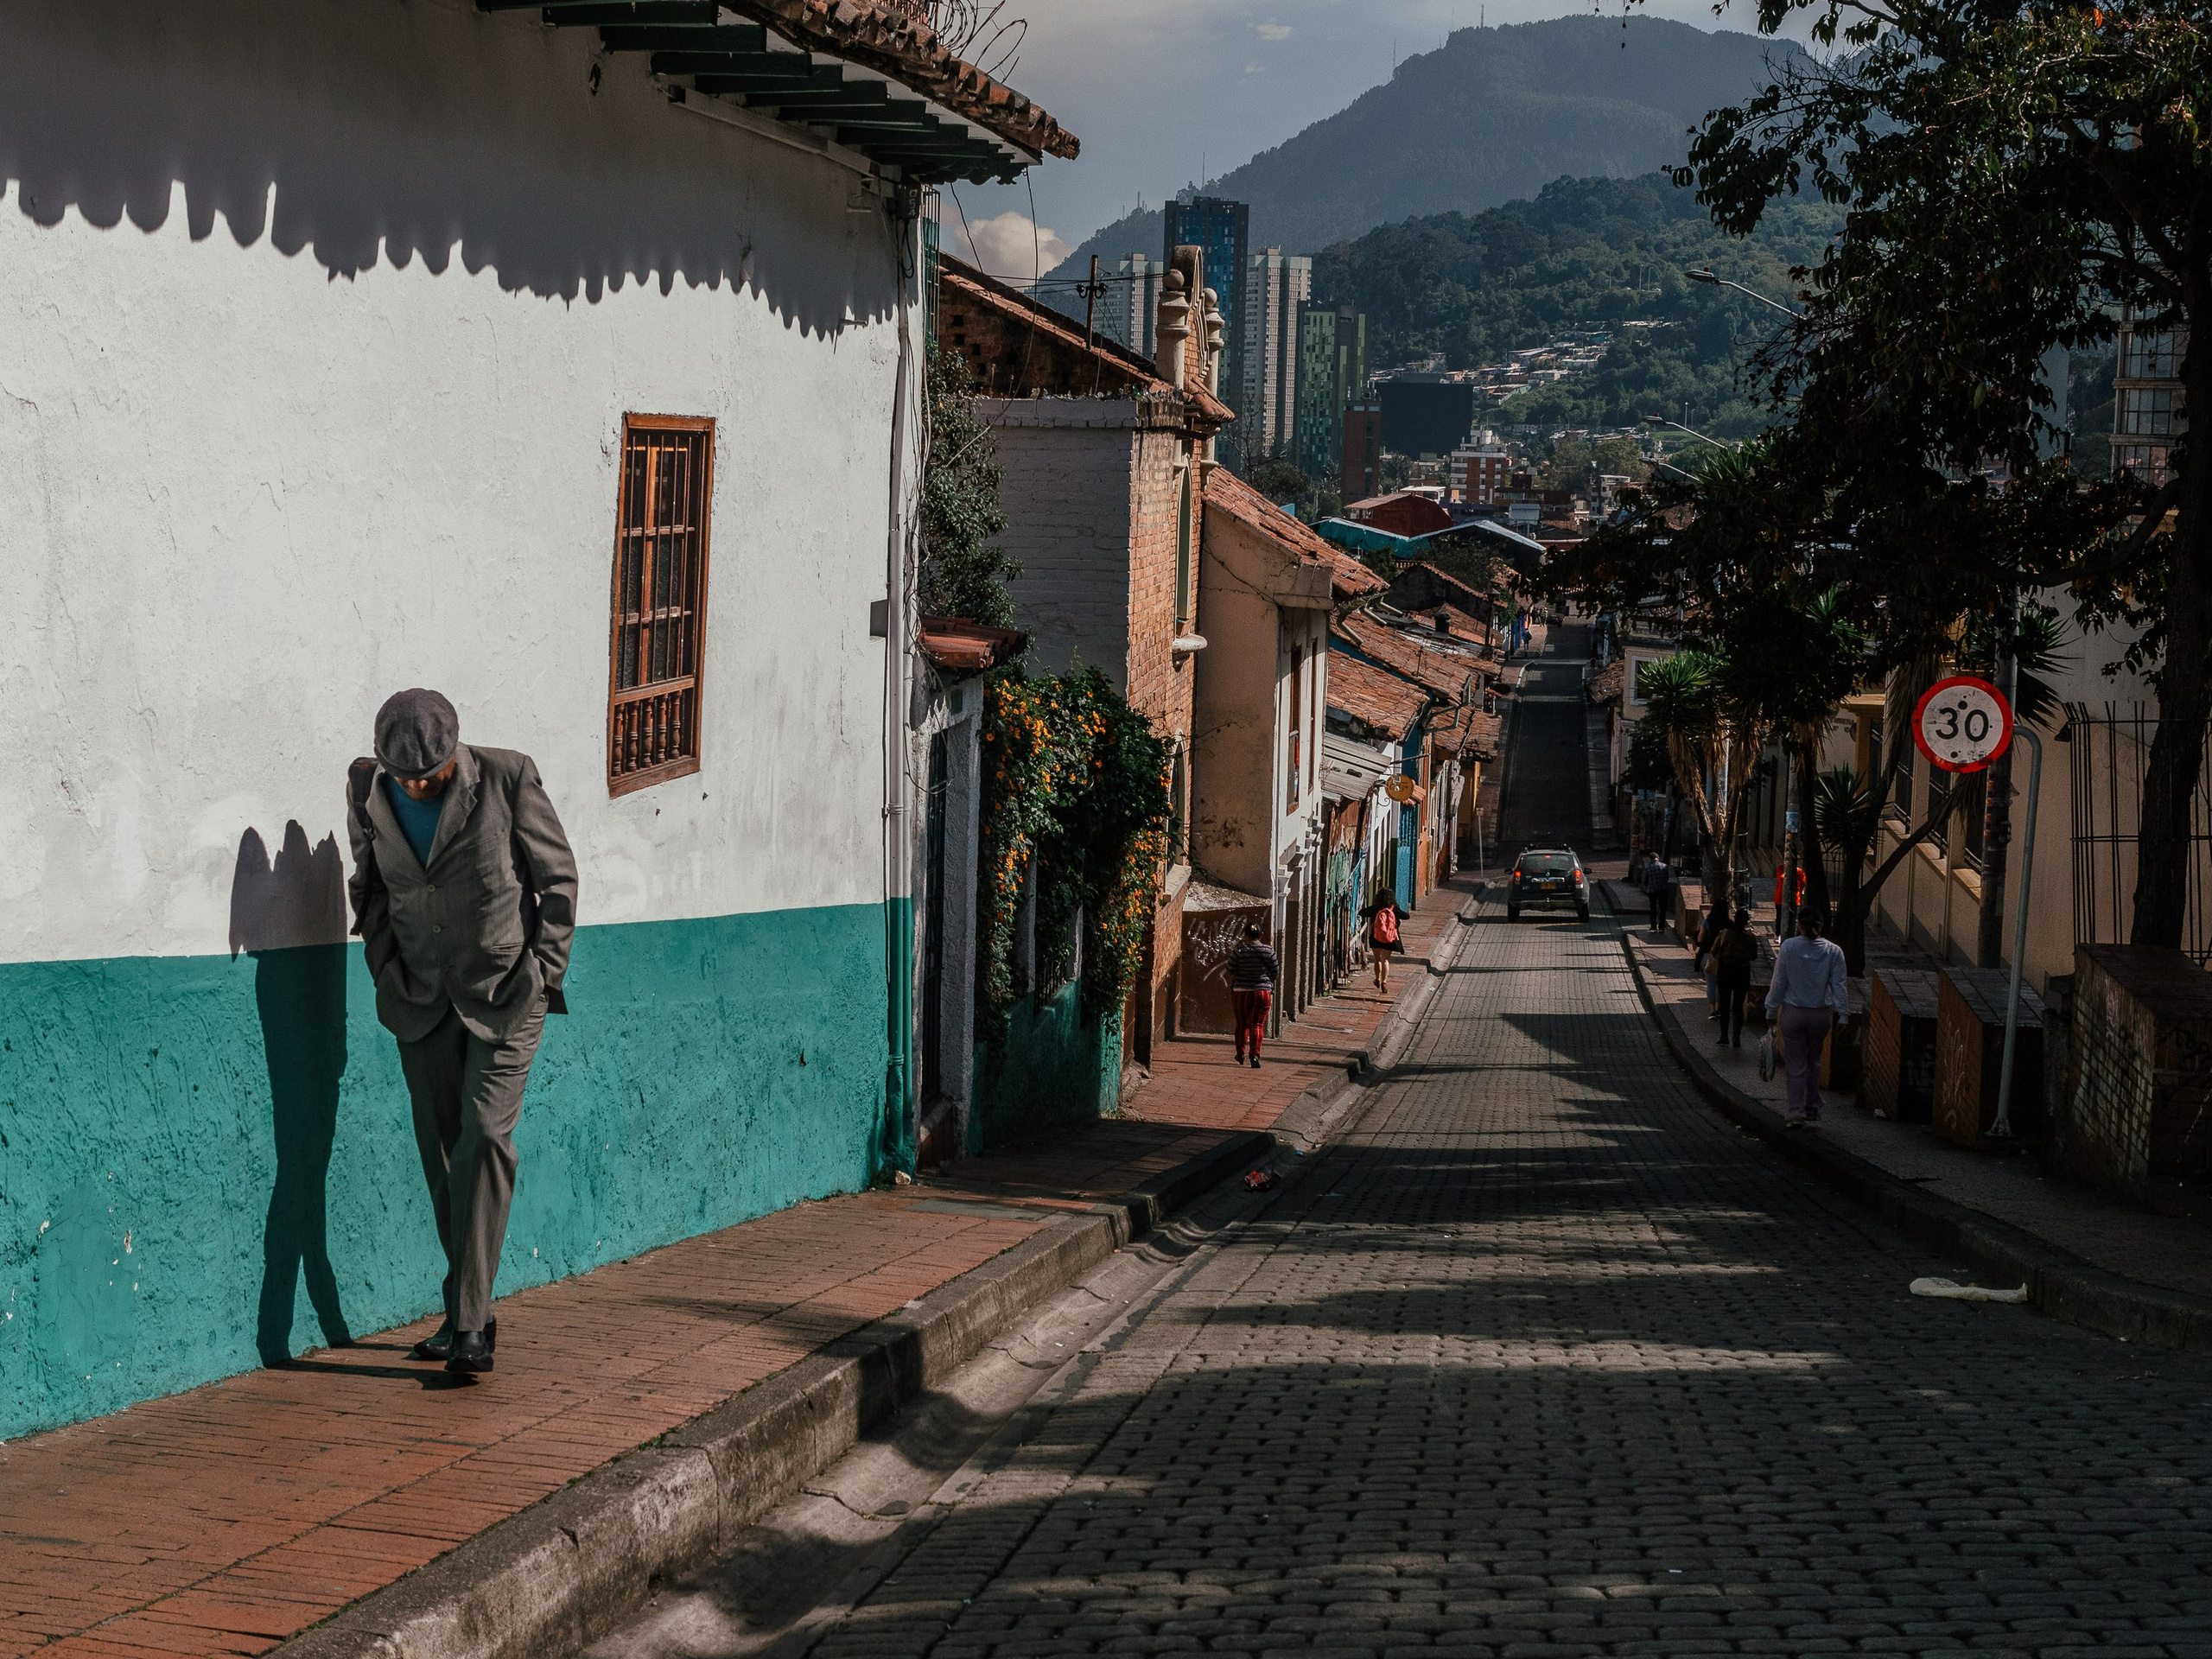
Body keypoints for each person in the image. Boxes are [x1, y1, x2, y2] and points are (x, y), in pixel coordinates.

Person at [346, 689, 578, 1376]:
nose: (418, 786)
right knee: (445, 1160)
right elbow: (370, 889)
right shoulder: (365, 790)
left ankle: (470, 1327)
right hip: (419, 998)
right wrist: (385, 967)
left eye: (432, 775)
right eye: (406, 778)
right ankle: (466, 1310)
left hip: (507, 994)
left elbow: (558, 880)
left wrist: (543, 971)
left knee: (484, 1139)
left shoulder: (507, 777)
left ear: (455, 753)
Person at [1764, 909, 1848, 1126]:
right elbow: (1839, 985)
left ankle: (1795, 1112)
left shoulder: (1789, 947)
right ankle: (1811, 1106)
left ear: (1799, 924)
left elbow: (1779, 982)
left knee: (1795, 1064)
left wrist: (1771, 1009)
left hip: (1793, 1013)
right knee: (1814, 1060)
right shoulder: (1833, 951)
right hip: (1820, 1015)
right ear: (1821, 926)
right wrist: (1843, 1014)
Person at [1229, 921, 1278, 1069]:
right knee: (1257, 1024)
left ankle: (1240, 1053)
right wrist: (1266, 981)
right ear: (1261, 935)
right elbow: (1275, 971)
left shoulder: (1239, 950)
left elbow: (1230, 969)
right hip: (1262, 992)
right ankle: (1255, 1055)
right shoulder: (1268, 951)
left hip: (1241, 992)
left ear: (1245, 935)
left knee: (1242, 1023)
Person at [1712, 907, 1759, 1048]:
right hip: (1742, 972)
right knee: (1738, 1007)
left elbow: (1714, 951)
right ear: (1746, 921)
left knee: (1725, 1005)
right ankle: (1736, 1038)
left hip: (1726, 971)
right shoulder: (1750, 937)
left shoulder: (1725, 934)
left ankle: (1724, 1036)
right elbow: (1754, 956)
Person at [1361, 891, 1406, 989]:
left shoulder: (1375, 908)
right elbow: (1407, 916)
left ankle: (1377, 979)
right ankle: (1384, 982)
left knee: (1377, 959)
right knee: (1385, 960)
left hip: (1375, 937)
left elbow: (1362, 913)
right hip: (1389, 938)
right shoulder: (1394, 909)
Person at [1693, 906, 1728, 1020]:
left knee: (1711, 984)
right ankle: (1719, 1008)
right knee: (1721, 984)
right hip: (1724, 957)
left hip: (1709, 956)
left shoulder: (1707, 923)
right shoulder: (1729, 924)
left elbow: (1700, 939)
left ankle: (1713, 1010)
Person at [1642, 853, 1673, 935]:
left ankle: (1653, 926)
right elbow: (1668, 877)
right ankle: (1661, 926)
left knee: (1653, 908)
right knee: (1663, 909)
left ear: (1650, 859)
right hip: (1663, 890)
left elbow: (1644, 879)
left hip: (1652, 890)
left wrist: (1647, 887)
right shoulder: (1664, 866)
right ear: (1657, 858)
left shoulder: (1648, 868)